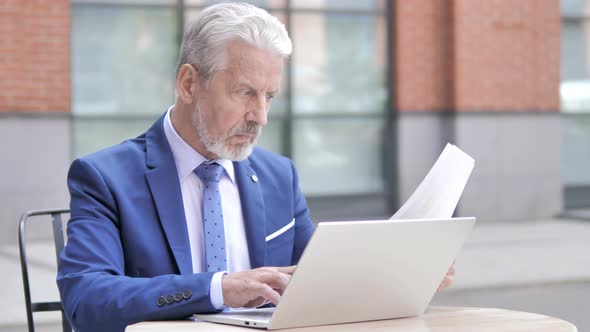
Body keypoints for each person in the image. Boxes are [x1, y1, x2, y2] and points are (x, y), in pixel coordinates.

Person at [57, 3, 454, 332]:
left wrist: (402, 276)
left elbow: (319, 281)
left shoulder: (279, 176)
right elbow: (87, 300)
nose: (260, 116)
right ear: (189, 84)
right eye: (245, 92)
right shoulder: (105, 177)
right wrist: (216, 289)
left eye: (269, 96)